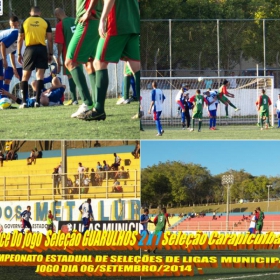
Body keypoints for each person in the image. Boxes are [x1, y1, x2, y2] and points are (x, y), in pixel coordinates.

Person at [78, 0, 141, 121]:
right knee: (135, 66)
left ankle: (99, 110)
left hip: (116, 23)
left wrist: (102, 19)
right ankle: (141, 110)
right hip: (133, 23)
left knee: (99, 62)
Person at [65, 0, 103, 118]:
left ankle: (87, 103)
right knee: (90, 63)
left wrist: (88, 11)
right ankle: (96, 106)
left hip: (88, 20)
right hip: (94, 20)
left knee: (70, 62)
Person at [17, 6, 53, 107]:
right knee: (39, 76)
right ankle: (37, 101)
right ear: (40, 13)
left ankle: (24, 102)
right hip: (42, 49)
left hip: (30, 50)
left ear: (30, 13)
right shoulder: (45, 22)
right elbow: (50, 39)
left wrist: (19, 53)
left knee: (25, 76)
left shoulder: (25, 21)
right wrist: (50, 53)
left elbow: (20, 38)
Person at [54, 7, 79, 106]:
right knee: (80, 73)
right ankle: (89, 97)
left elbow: (60, 43)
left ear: (57, 16)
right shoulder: (75, 21)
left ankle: (74, 99)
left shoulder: (60, 25)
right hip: (80, 51)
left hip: (68, 53)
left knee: (70, 75)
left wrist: (59, 55)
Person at [0, 76, 66, 107]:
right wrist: (51, 89)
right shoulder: (54, 96)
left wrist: (7, 93)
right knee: (55, 79)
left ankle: (48, 78)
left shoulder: (34, 101)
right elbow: (64, 86)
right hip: (52, 91)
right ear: (48, 99)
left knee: (34, 83)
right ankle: (50, 77)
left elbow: (20, 101)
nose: (42, 96)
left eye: (41, 97)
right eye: (43, 97)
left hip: (44, 92)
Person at [0, 16, 20, 92]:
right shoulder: (16, 33)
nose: (13, 27)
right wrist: (5, 60)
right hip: (1, 57)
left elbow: (12, 53)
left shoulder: (17, 36)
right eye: (12, 25)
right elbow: (2, 44)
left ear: (18, 23)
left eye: (15, 25)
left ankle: (2, 99)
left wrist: (14, 68)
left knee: (1, 78)